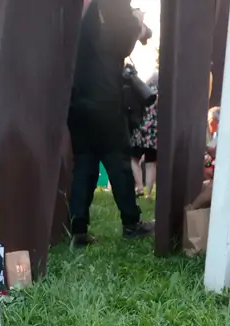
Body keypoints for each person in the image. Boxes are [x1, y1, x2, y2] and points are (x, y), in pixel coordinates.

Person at [67, 0, 154, 246]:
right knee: (118, 162)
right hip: (105, 99)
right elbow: (123, 42)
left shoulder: (87, 13)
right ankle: (131, 223)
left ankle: (78, 230)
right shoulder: (113, 4)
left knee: (84, 163)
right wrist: (136, 20)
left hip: (78, 99)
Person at [129, 72, 158, 199]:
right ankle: (148, 194)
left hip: (140, 131)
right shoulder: (162, 95)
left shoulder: (142, 92)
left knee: (134, 159)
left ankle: (140, 187)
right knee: (151, 163)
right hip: (154, 133)